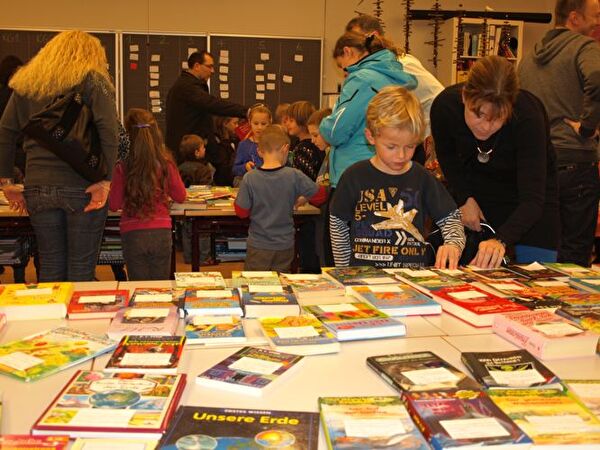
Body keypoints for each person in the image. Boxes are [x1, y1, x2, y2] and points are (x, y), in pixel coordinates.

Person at [0, 30, 118, 282]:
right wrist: (106, 181)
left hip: (38, 187)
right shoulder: (93, 80)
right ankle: (77, 321)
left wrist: (6, 182)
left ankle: (51, 320)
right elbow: (109, 130)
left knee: (50, 263)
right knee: (81, 267)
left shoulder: (26, 83)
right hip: (82, 185)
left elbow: (5, 132)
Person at [431, 56, 560, 268]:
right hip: (480, 200)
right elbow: (448, 160)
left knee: (538, 283)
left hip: (531, 207)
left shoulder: (528, 117)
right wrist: (465, 198)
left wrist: (500, 239)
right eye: (478, 114)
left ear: (510, 108)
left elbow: (534, 198)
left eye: (497, 119)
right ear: (465, 96)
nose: (485, 127)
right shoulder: (444, 108)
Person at [330, 86, 465, 269]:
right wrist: (344, 269)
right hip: (362, 280)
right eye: (391, 147)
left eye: (410, 147)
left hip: (412, 282)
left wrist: (453, 244)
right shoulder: (354, 177)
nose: (401, 155)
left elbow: (451, 218)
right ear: (371, 136)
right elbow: (338, 222)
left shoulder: (422, 178)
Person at [319, 31, 417, 265]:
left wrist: (324, 123)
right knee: (380, 251)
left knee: (339, 252)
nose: (345, 72)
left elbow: (335, 130)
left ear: (348, 52)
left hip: (353, 177)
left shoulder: (363, 78)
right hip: (387, 175)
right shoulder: (395, 76)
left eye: (342, 67)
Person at [518, 0, 600, 267]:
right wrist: (588, 128)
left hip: (538, 165)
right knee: (575, 253)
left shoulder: (529, 57)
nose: (598, 22)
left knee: (540, 253)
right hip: (575, 160)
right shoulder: (585, 47)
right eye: (596, 16)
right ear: (574, 18)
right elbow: (598, 78)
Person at [234, 125, 327, 272]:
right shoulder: (294, 175)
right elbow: (320, 196)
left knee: (255, 285)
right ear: (285, 149)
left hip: (259, 244)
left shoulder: (249, 178)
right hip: (285, 244)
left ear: (259, 151)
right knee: (281, 284)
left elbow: (241, 212)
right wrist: (303, 197)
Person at [109, 108, 186, 280]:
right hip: (161, 231)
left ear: (128, 135)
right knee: (159, 287)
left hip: (132, 232)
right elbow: (180, 195)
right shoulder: (166, 163)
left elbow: (113, 204)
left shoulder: (123, 165)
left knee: (138, 286)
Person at [346, 14, 444, 142]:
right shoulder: (388, 64)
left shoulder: (399, 65)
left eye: (356, 40)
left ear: (374, 36)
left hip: (432, 132)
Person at [165, 50, 246, 165]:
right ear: (197, 66)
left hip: (193, 151)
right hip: (189, 154)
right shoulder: (187, 87)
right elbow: (212, 104)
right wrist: (245, 111)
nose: (212, 71)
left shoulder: (188, 85)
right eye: (209, 66)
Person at [287, 101, 324, 273]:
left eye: (291, 120)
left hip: (309, 206)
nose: (287, 123)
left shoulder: (304, 148)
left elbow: (304, 179)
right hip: (314, 202)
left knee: (309, 248)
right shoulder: (312, 145)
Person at [177, 134, 215, 266]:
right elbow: (207, 190)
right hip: (200, 208)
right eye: (203, 148)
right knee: (203, 233)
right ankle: (203, 258)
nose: (205, 150)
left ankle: (188, 257)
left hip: (183, 207)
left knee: (186, 232)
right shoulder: (204, 169)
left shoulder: (179, 168)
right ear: (197, 152)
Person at [307, 107, 333, 266]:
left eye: (315, 135)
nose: (312, 140)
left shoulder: (334, 157)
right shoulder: (328, 155)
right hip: (321, 218)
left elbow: (325, 189)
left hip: (328, 219)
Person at [232, 104, 271, 184]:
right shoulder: (243, 145)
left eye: (263, 124)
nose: (259, 127)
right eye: (256, 123)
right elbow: (235, 169)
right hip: (248, 182)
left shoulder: (272, 144)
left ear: (269, 123)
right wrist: (245, 166)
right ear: (250, 122)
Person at [213, 116, 240, 186]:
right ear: (225, 124)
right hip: (222, 183)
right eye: (235, 123)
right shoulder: (217, 141)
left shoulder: (236, 140)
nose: (237, 126)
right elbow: (223, 167)